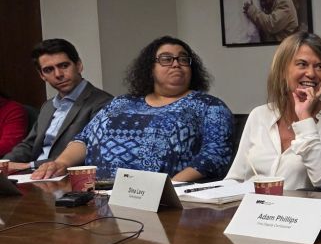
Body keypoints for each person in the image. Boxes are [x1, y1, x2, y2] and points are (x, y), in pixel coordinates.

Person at [32, 37, 234, 183]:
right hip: (99, 193)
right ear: (149, 68)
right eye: (166, 59)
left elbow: (215, 156)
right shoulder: (121, 102)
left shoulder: (209, 106)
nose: (176, 64)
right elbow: (84, 139)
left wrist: (171, 188)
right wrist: (61, 163)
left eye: (183, 59)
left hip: (164, 198)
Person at [226, 32, 321, 190]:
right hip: (253, 204)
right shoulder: (259, 115)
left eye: (319, 67)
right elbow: (236, 178)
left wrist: (305, 118)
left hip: (303, 205)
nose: (311, 73)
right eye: (302, 64)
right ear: (282, 71)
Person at [6, 39, 113, 169]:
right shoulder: (48, 105)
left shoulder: (103, 103)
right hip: (32, 174)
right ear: (42, 75)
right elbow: (28, 145)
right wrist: (4, 164)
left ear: (79, 65)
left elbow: (90, 150)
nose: (58, 74)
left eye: (64, 66)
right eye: (49, 70)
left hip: (65, 175)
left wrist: (29, 165)